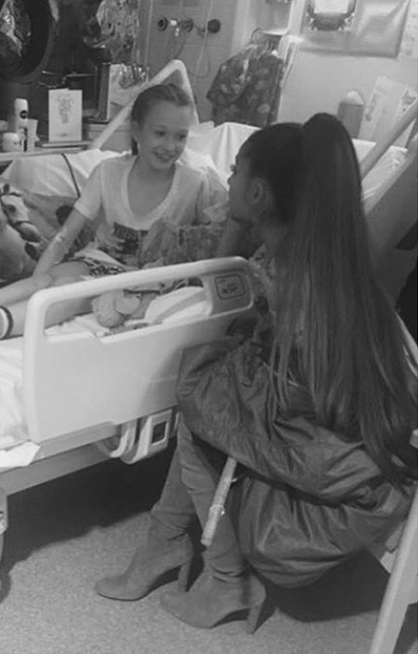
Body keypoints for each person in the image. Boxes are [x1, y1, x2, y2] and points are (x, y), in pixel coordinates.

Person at [94, 113, 418, 633]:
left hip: (346, 462)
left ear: (260, 193)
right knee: (204, 391)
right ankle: (163, 546)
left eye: (236, 172)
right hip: (338, 429)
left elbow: (295, 396)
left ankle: (222, 576)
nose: (228, 181)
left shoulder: (297, 280)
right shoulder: (302, 253)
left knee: (199, 406)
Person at [0, 82, 225, 361]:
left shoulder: (195, 184)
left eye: (181, 136)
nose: (170, 146)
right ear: (136, 130)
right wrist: (40, 274)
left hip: (143, 279)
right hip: (100, 261)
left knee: (64, 295)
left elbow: (217, 236)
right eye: (160, 133)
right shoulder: (108, 173)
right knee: (45, 282)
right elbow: (64, 236)